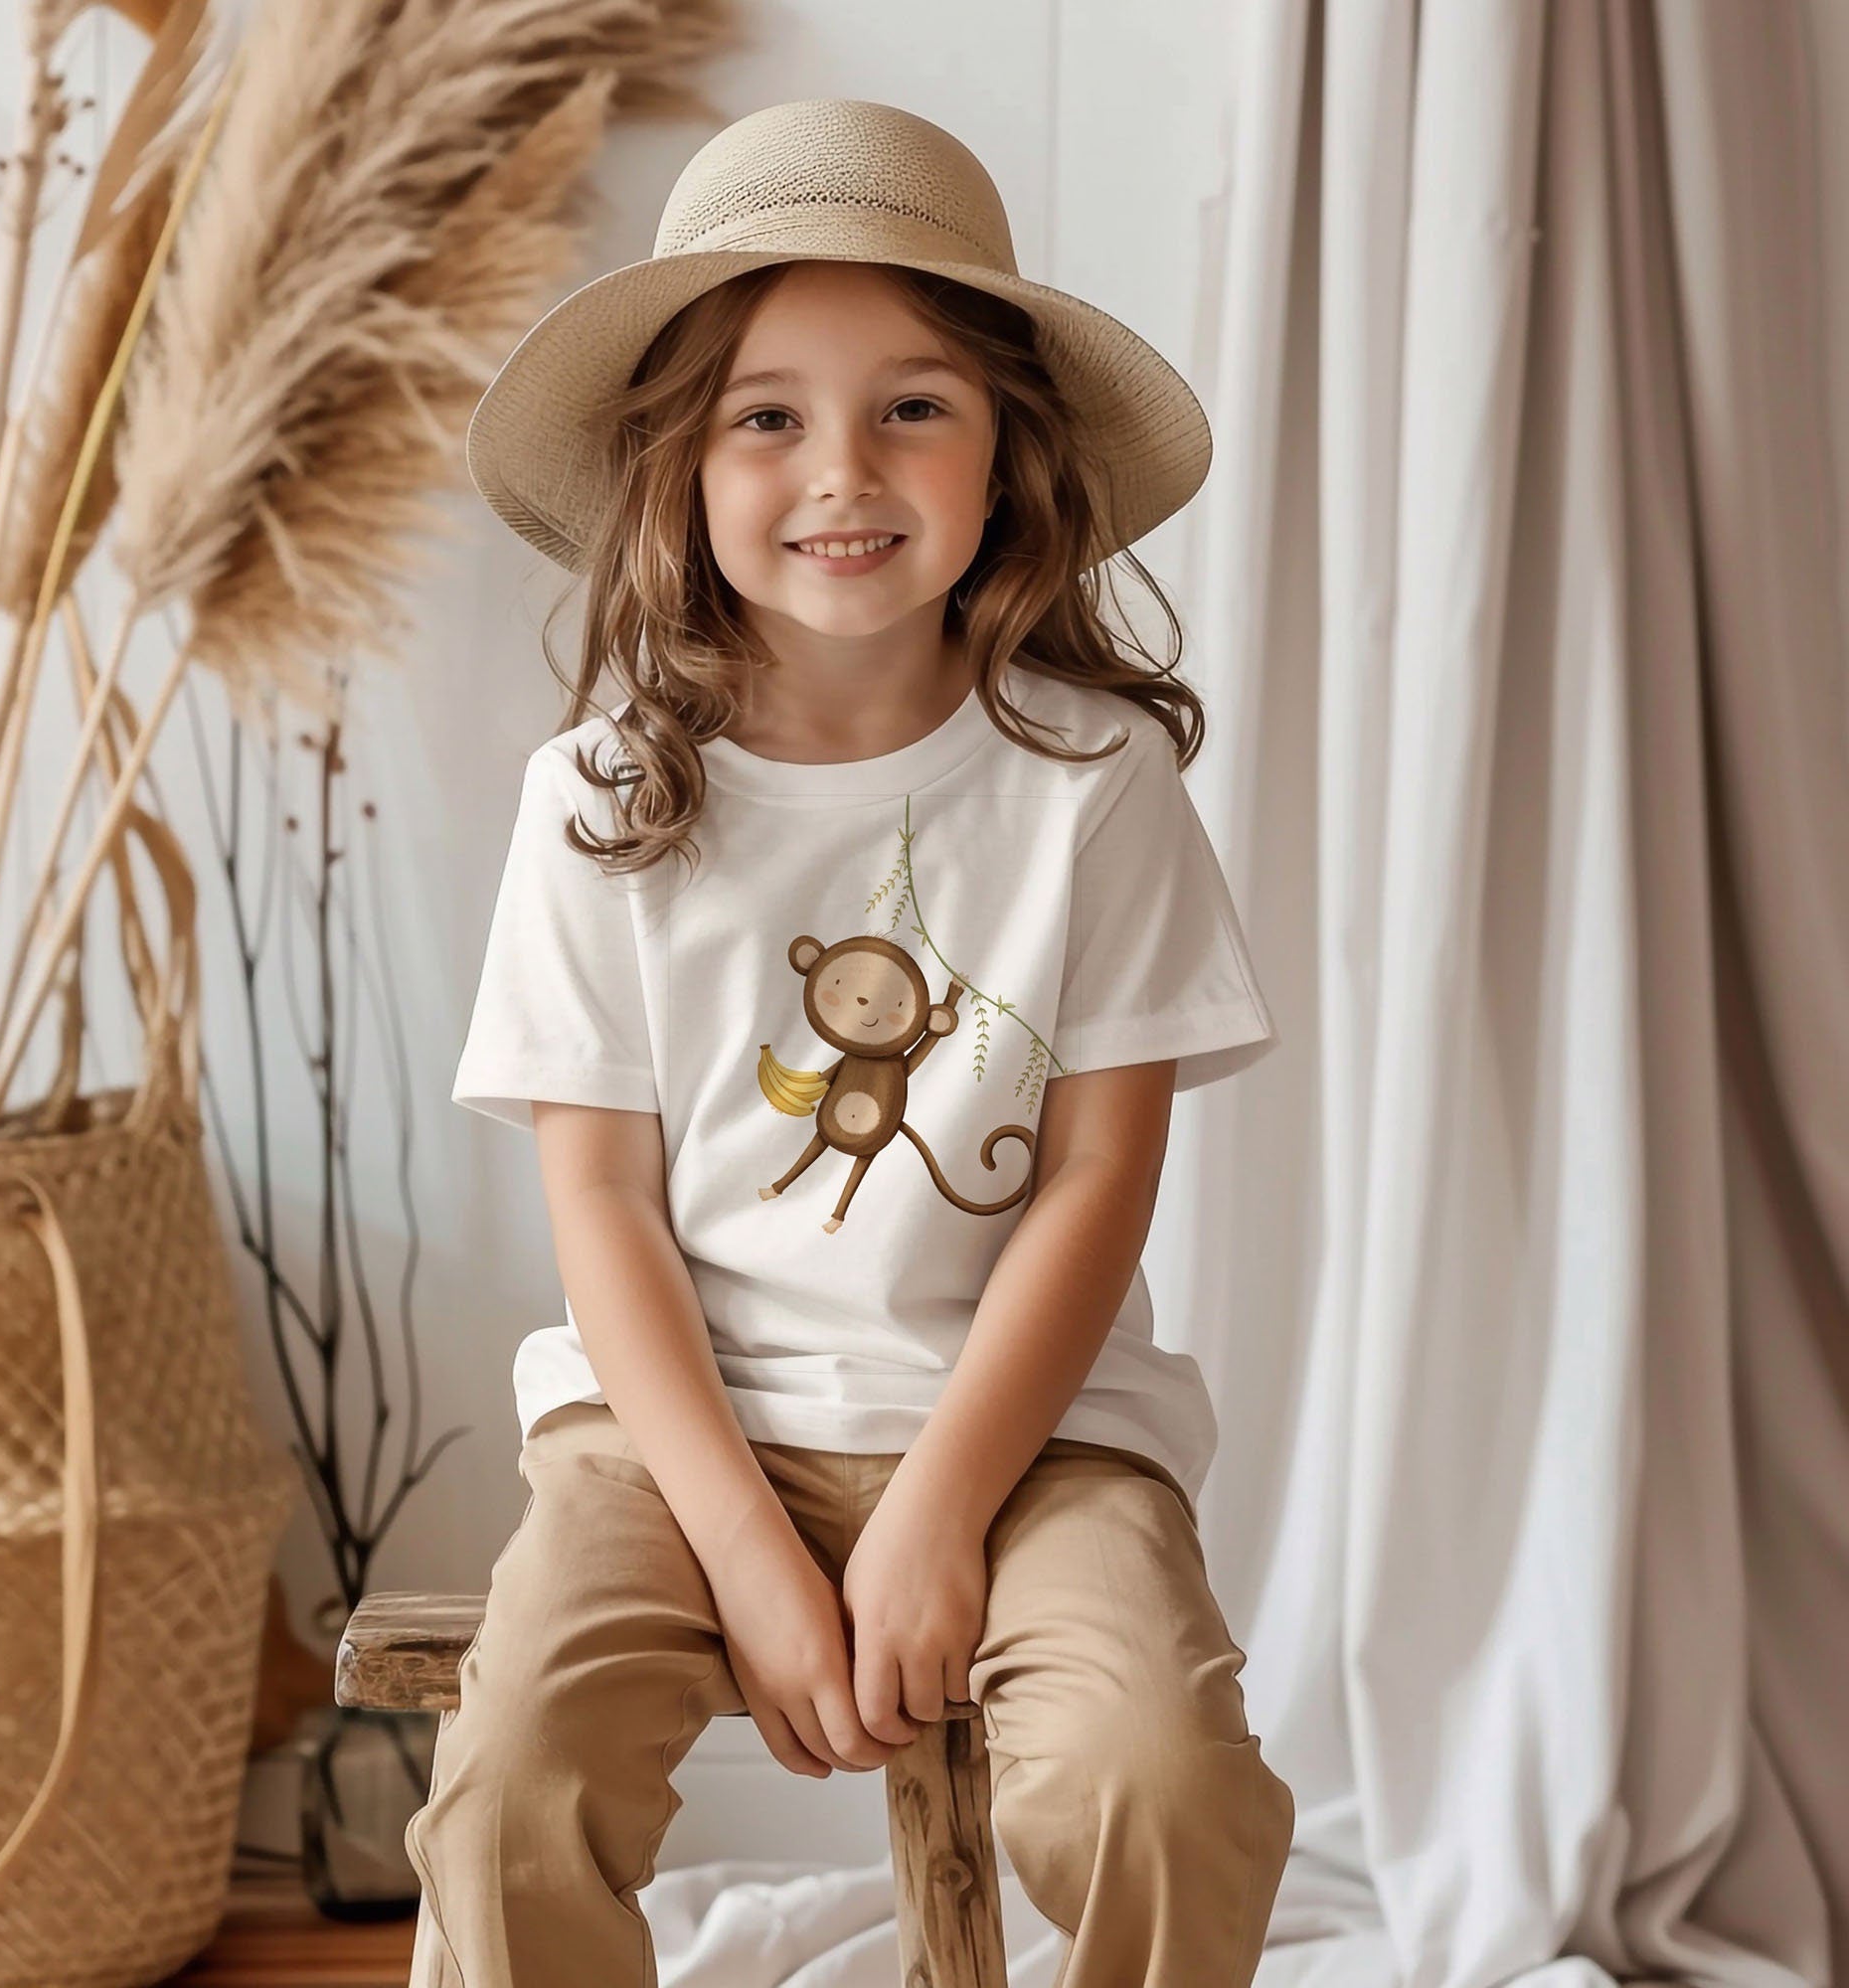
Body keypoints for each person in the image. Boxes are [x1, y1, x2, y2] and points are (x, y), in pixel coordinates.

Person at [407, 95, 1295, 1988]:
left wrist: (944, 1512)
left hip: (1033, 1435)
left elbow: (1097, 1177)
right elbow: (608, 1207)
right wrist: (741, 1546)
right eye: (767, 414)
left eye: (913, 403)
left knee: (1166, 1783)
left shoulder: (1093, 782)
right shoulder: (601, 798)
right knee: (505, 1799)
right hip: (674, 1441)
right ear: (682, 467)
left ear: (1004, 456)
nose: (843, 468)